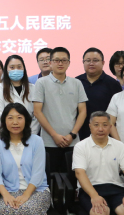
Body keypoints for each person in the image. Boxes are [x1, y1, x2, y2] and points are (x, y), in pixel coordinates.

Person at [32, 47, 88, 175]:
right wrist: (54, 135)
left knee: (73, 178)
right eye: (56, 60)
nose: (60, 63)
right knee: (51, 179)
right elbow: (37, 112)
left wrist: (72, 135)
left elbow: (83, 111)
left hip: (72, 141)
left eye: (64, 60)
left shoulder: (77, 83)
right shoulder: (41, 83)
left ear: (69, 63)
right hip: (49, 142)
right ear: (50, 62)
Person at [76, 48, 122, 140]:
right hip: (79, 134)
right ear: (83, 62)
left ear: (103, 62)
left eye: (95, 60)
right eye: (88, 60)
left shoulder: (113, 84)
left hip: (105, 133)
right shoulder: (76, 82)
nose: (91, 63)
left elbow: (119, 112)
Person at [0, 55, 40, 134]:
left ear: (24, 69)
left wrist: (30, 134)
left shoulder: (32, 88)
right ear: (6, 70)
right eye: (12, 67)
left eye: (19, 67)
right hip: (8, 134)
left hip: (30, 133)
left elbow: (36, 115)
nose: (16, 70)